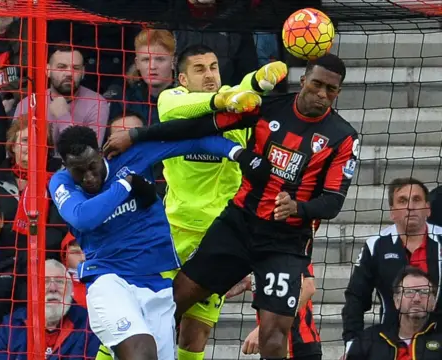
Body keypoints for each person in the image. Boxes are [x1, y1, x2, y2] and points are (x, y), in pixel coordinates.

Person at [104, 53, 358, 360]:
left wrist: (298, 208)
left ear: (338, 92)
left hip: (285, 242)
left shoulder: (343, 137)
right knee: (173, 301)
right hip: (238, 225)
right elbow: (197, 128)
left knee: (274, 338)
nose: (321, 94)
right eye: (316, 84)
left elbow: (333, 201)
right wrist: (135, 135)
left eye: (331, 90)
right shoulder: (267, 108)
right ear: (304, 81)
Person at [49, 125, 258, 360]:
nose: (88, 178)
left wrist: (239, 153)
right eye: (79, 172)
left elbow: (193, 142)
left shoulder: (132, 156)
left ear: (100, 153)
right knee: (141, 350)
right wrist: (127, 183)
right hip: (109, 280)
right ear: (66, 167)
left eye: (92, 167)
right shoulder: (61, 183)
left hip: (155, 284)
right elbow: (84, 217)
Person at [150, 44, 287, 360]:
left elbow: (247, 88)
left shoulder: (236, 101)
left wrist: (261, 79)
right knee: (149, 321)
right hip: (170, 234)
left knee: (195, 333)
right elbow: (174, 111)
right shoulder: (172, 99)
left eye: (213, 67)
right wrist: (222, 99)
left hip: (217, 237)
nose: (209, 74)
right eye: (199, 69)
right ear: (182, 77)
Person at [342, 177, 442, 351]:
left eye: (416, 200)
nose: (410, 207)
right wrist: (352, 344)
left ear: (428, 209)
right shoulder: (376, 245)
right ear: (392, 212)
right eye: (402, 201)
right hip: (391, 343)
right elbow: (356, 299)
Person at [346, 266, 441, 360]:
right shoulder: (368, 341)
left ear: (433, 303)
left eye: (424, 292)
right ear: (396, 301)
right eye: (409, 292)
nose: (416, 299)